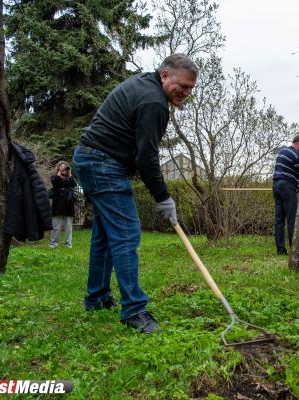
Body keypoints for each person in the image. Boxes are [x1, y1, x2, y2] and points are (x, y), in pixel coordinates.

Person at [72, 54, 198, 333]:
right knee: (126, 233)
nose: (186, 93)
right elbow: (147, 157)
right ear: (165, 75)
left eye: (191, 89)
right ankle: (134, 310)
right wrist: (163, 197)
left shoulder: (144, 84)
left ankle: (97, 298)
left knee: (105, 236)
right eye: (183, 85)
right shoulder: (154, 102)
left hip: (89, 158)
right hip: (103, 163)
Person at [49, 161, 77, 248]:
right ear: (58, 168)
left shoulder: (69, 178)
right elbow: (54, 182)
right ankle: (54, 244)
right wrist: (59, 174)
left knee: (68, 227)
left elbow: (74, 184)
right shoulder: (55, 177)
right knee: (56, 226)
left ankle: (68, 244)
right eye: (62, 167)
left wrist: (70, 174)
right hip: (57, 205)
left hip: (68, 205)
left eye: (66, 167)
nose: (64, 169)